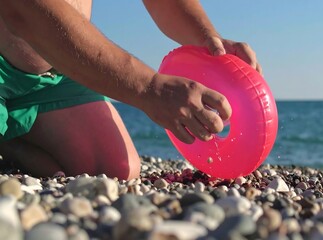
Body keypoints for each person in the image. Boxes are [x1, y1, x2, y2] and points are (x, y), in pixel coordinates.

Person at [0, 0, 262, 180]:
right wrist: (149, 88)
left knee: (117, 169)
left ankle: (8, 141)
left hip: (58, 70)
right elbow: (24, 10)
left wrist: (208, 40)